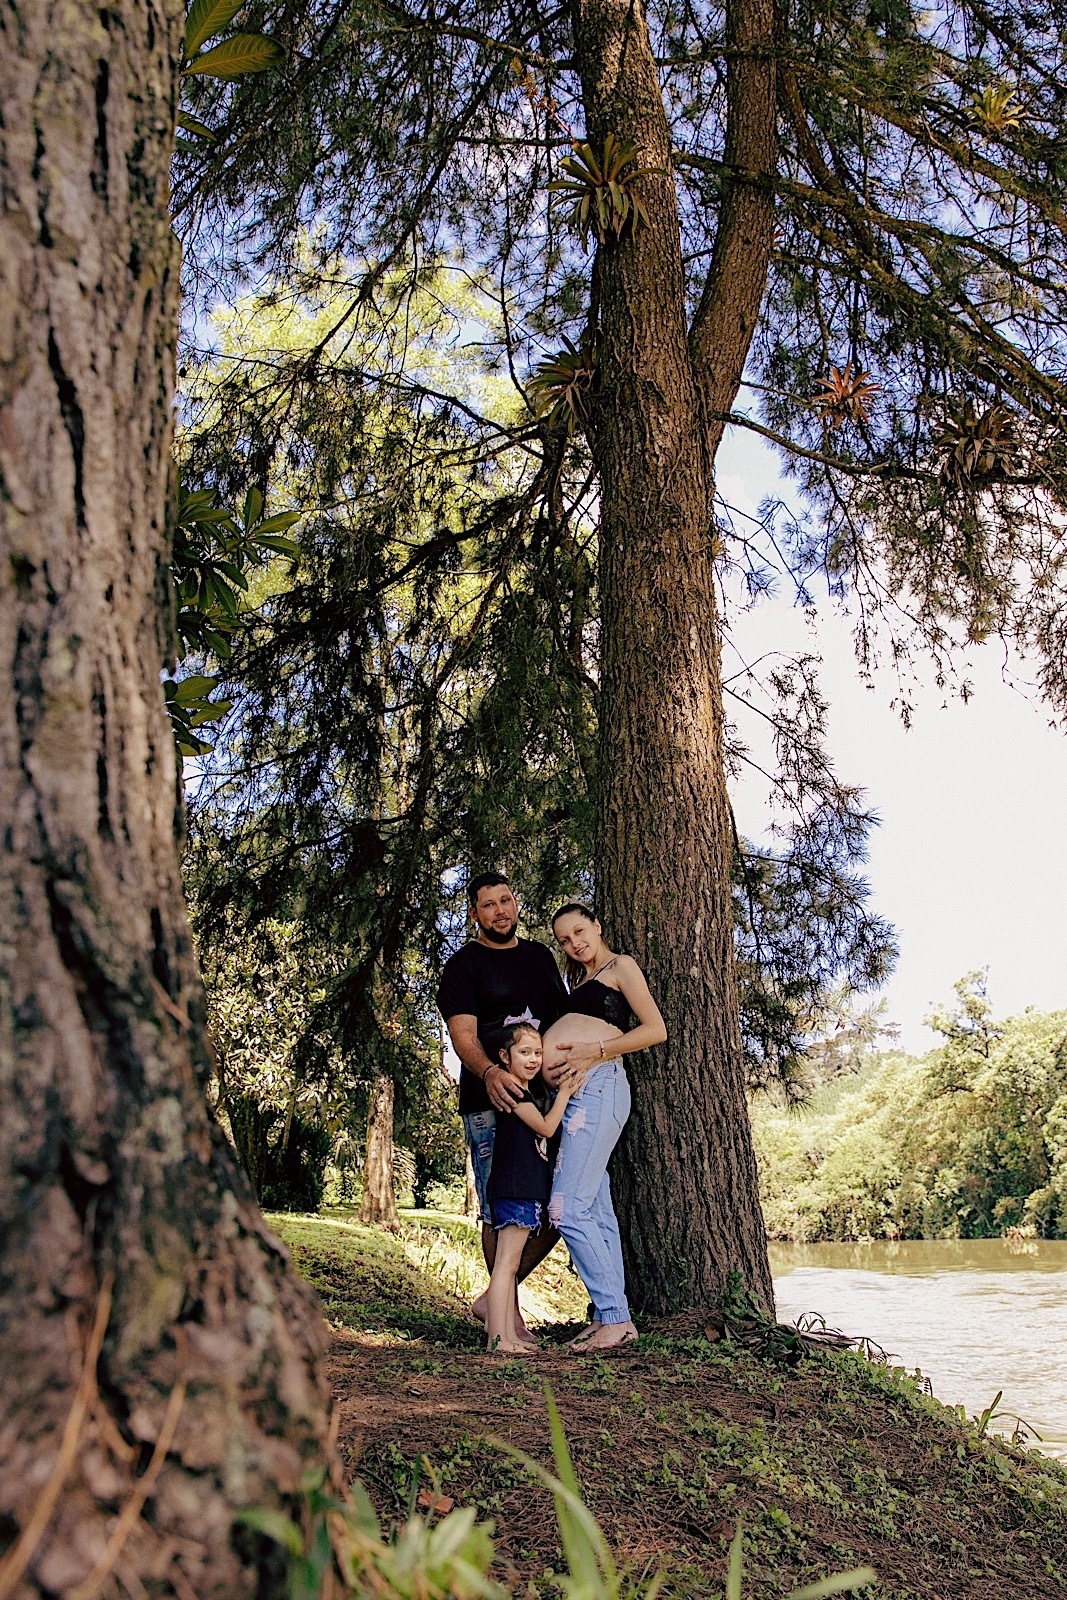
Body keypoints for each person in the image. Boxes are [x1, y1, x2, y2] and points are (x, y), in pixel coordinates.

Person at [436, 872, 568, 1343]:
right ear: (474, 914)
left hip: (544, 1097)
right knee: (500, 1207)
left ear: (516, 904)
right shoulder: (464, 965)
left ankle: (493, 1297)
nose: (499, 911)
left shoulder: (538, 957)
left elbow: (560, 1020)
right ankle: (504, 1321)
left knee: (557, 1203)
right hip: (489, 1101)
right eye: (487, 904)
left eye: (505, 900)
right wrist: (491, 1072)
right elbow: (463, 1038)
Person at [542, 902, 668, 1351]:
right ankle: (609, 1315)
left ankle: (615, 1317)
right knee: (595, 1209)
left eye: (579, 931)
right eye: (564, 939)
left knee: (566, 1208)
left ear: (596, 926)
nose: (575, 943)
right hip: (578, 1095)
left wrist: (593, 1051)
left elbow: (655, 1029)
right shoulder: (584, 981)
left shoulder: (621, 966)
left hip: (601, 1087)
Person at [483, 1023, 580, 1353]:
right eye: (524, 1052)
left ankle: (506, 1336)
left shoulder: (530, 1093)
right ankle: (498, 1340)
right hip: (514, 1187)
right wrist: (566, 1094)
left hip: (524, 1189)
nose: (533, 1059)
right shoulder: (514, 1092)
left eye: (538, 1053)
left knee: (509, 1266)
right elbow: (547, 1128)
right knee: (506, 1265)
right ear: (504, 1057)